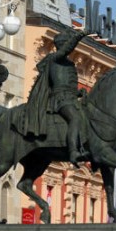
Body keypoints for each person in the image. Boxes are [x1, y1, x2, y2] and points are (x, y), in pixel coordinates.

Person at [19, 28, 88, 166]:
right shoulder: (54, 58)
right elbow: (64, 53)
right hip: (59, 99)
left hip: (71, 98)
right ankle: (73, 151)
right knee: (74, 118)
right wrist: (81, 34)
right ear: (62, 45)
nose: (70, 49)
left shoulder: (69, 64)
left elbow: (69, 86)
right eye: (67, 45)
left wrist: (79, 93)